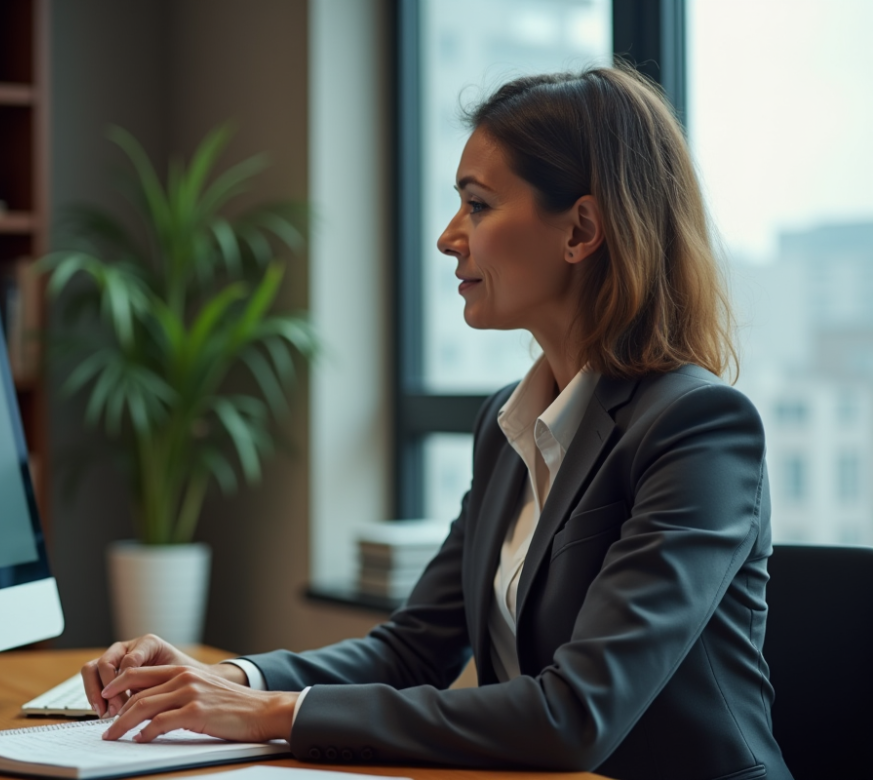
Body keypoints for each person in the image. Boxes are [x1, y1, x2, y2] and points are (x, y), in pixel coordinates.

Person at [81, 65, 793, 780]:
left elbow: (574, 716)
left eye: (478, 207)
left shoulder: (697, 428)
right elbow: (413, 648)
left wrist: (272, 717)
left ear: (580, 230)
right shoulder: (508, 426)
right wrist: (231, 680)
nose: (449, 238)